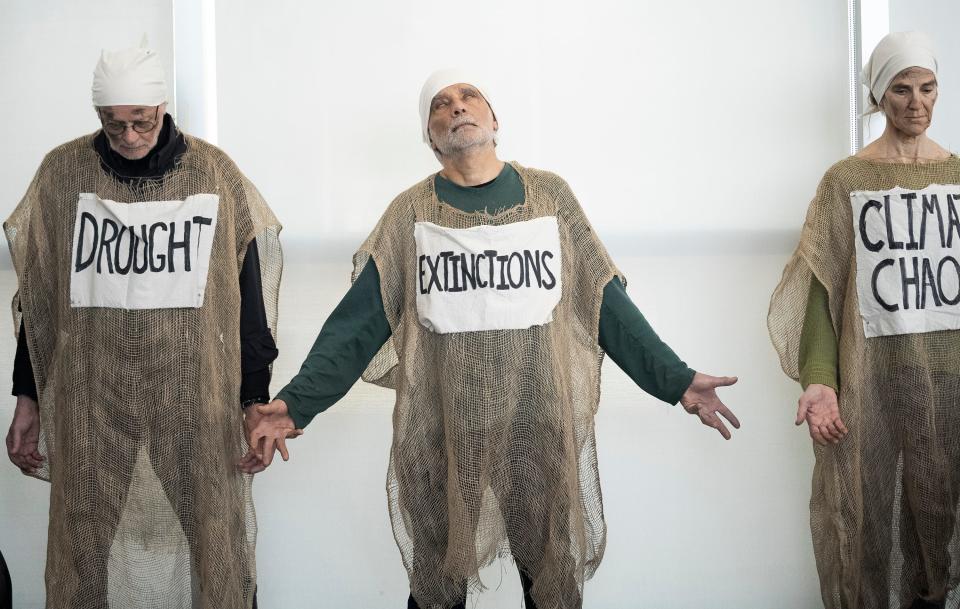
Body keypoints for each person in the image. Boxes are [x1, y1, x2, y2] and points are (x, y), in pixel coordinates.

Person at [244, 69, 739, 609]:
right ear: (430, 139)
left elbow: (603, 304)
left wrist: (676, 380)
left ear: (494, 121)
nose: (456, 107)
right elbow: (358, 323)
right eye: (440, 104)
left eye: (468, 96)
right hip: (439, 427)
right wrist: (296, 403)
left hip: (536, 420)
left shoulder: (549, 198)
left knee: (549, 582)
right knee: (436, 587)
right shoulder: (410, 214)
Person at [4, 43, 282, 608]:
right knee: (81, 547)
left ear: (162, 106)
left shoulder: (212, 173)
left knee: (216, 542)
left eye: (141, 121)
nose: (129, 136)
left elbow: (246, 298)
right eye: (113, 125)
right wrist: (27, 400)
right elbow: (40, 299)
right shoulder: (64, 174)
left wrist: (255, 396)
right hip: (90, 398)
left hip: (192, 396)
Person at [768, 31, 959, 609]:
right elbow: (825, 290)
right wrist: (820, 381)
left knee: (937, 525)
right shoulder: (845, 182)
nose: (917, 103)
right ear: (880, 96)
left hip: (950, 383)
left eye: (927, 88)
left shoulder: (957, 179)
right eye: (901, 90)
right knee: (865, 522)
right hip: (872, 384)